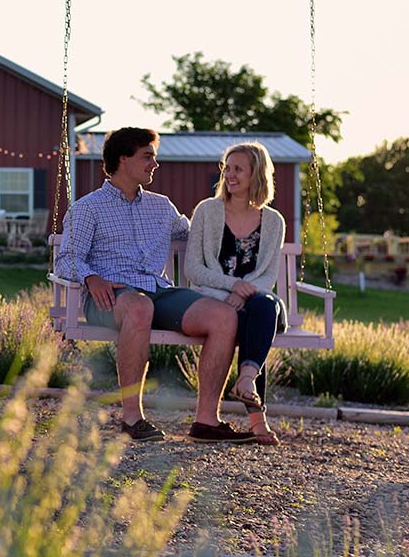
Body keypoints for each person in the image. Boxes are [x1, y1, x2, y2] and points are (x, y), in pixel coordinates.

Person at [56, 127, 254, 444]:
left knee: (223, 316)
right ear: (123, 159)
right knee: (138, 307)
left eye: (154, 157)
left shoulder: (162, 207)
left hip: (159, 292)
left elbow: (195, 237)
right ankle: (132, 418)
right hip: (111, 297)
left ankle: (206, 421)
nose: (154, 164)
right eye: (147, 156)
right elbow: (65, 259)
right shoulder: (88, 208)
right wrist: (91, 278)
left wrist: (242, 228)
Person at [185, 142, 288, 446]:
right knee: (255, 323)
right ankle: (258, 419)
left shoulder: (274, 221)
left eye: (238, 169)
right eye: (226, 168)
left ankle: (245, 380)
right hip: (215, 301)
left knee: (263, 308)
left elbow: (267, 276)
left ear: (256, 174)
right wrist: (231, 286)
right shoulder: (207, 211)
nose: (229, 175)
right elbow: (193, 268)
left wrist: (245, 293)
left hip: (255, 302)